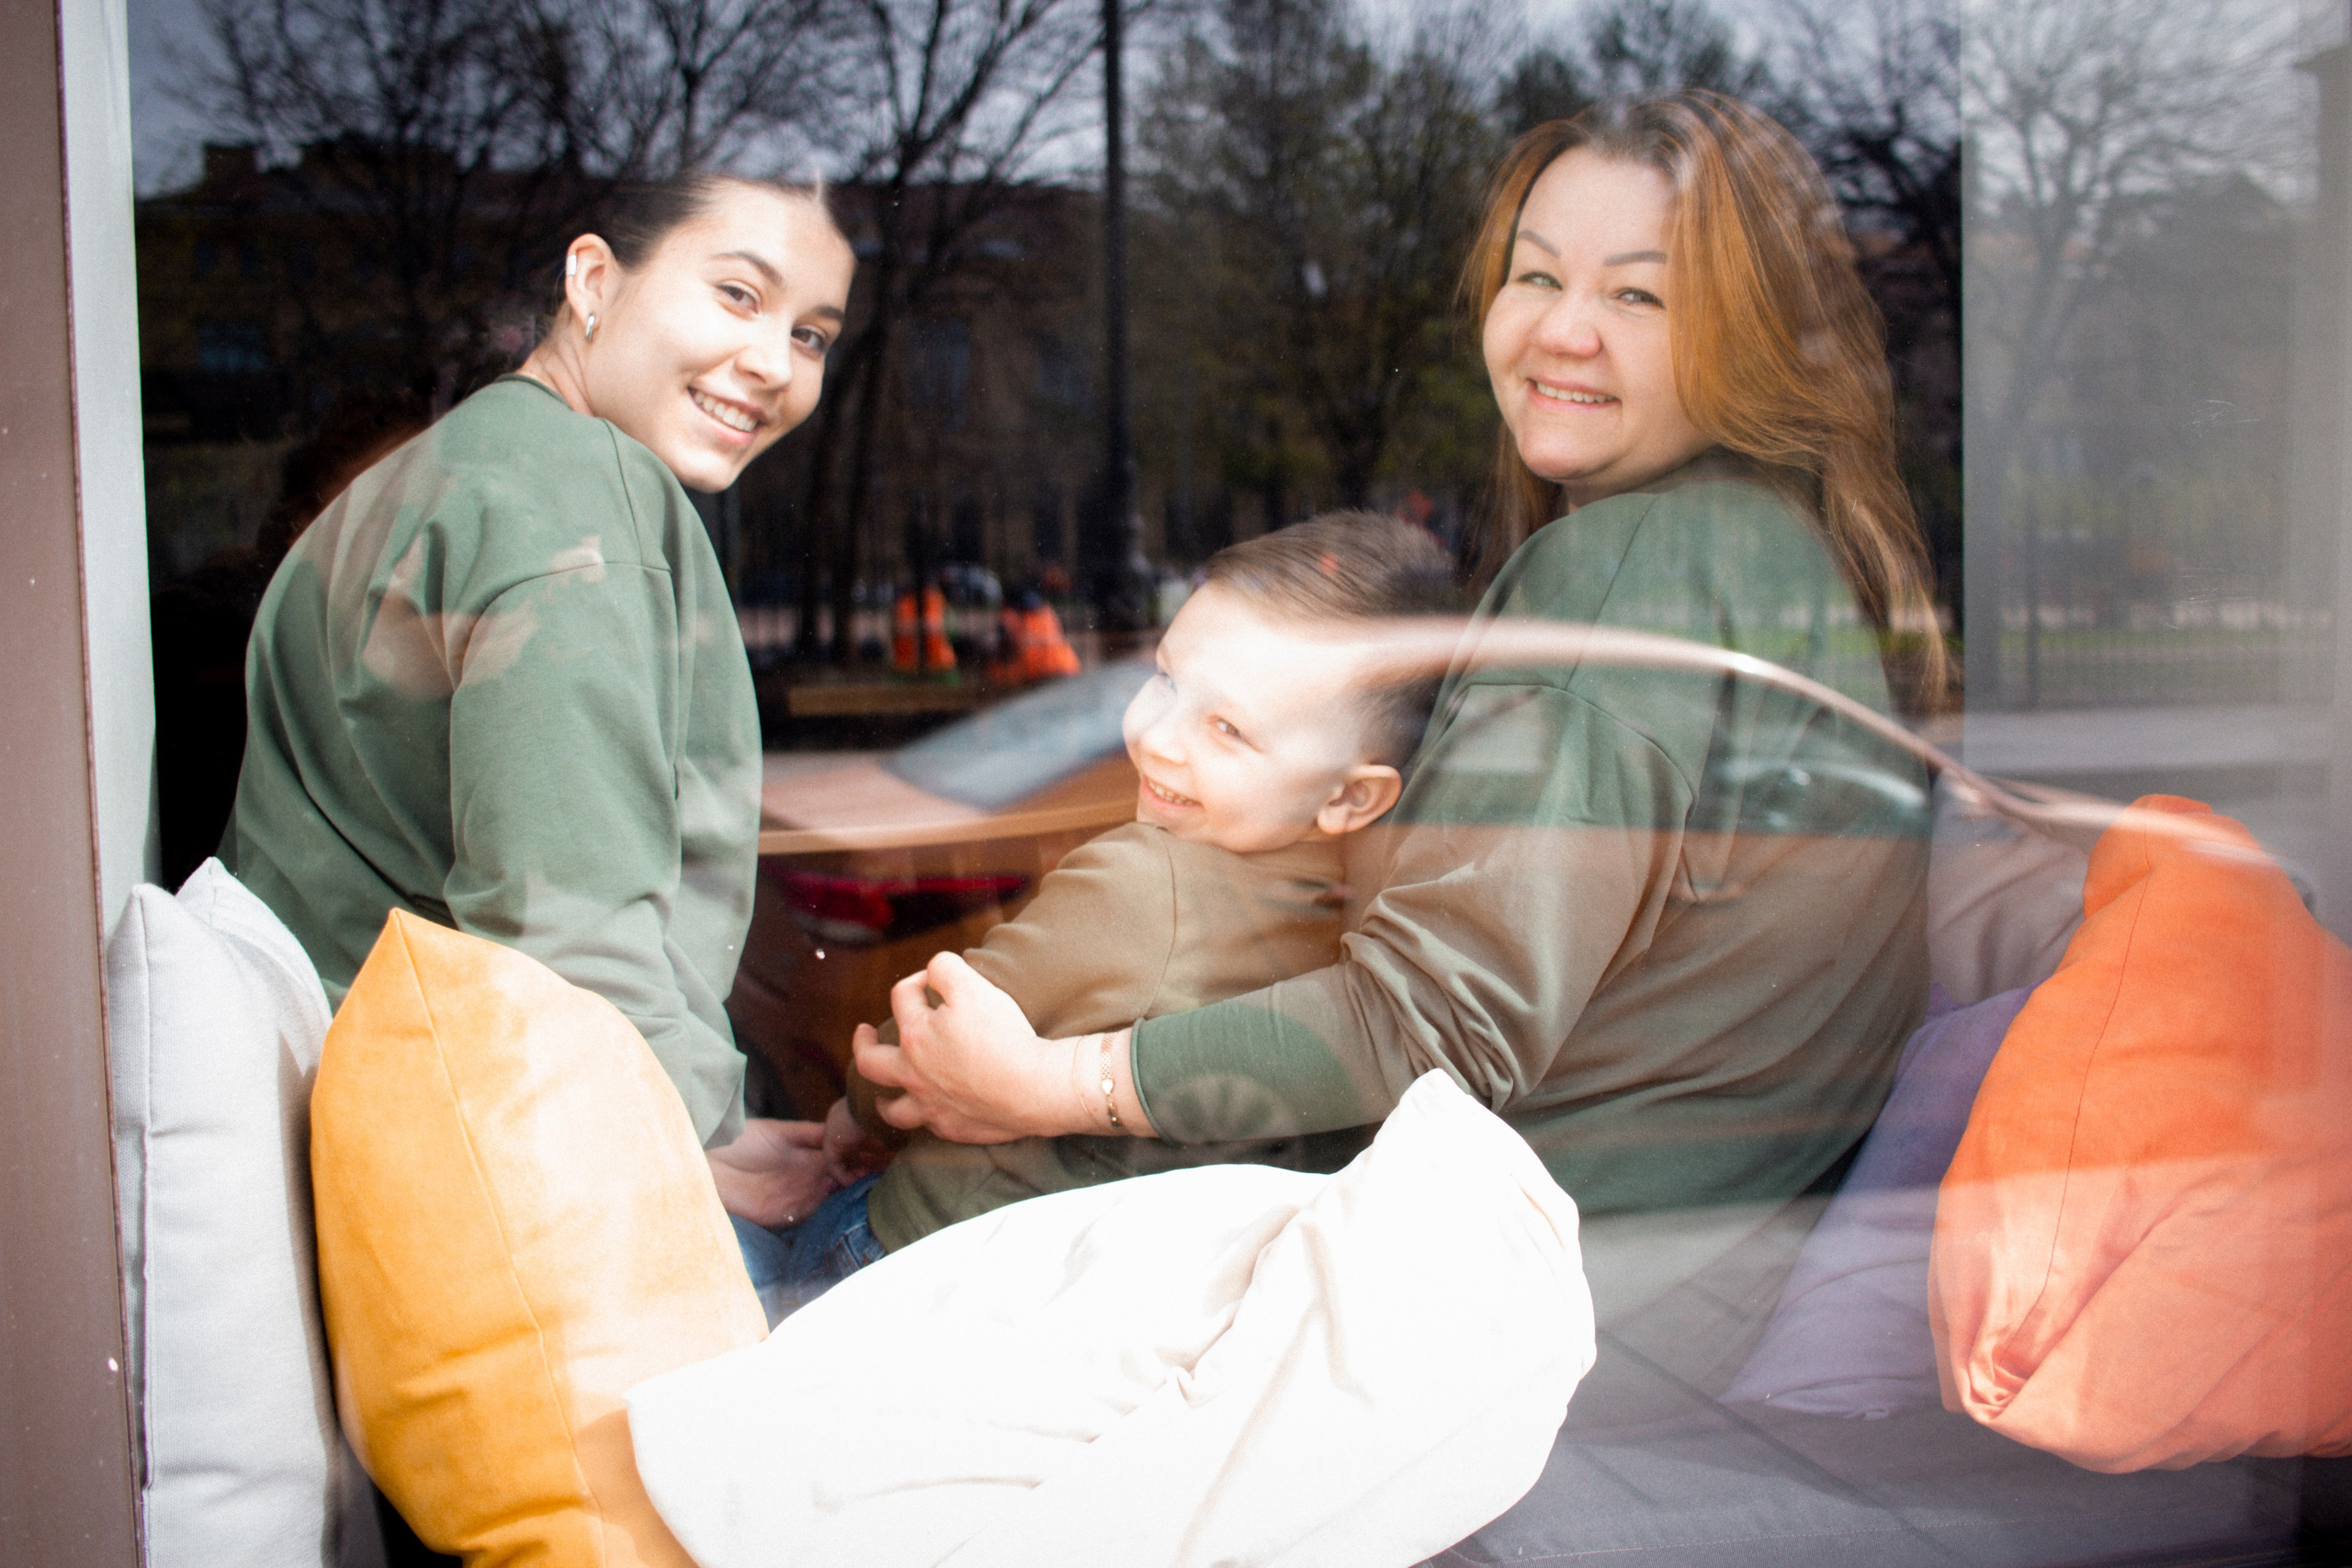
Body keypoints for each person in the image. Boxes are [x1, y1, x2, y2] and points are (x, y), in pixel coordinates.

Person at [854, 90, 1947, 1408]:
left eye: (1641, 298)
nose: (1562, 328)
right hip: (1639, 1304)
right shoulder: (1785, 557)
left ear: (1745, 338)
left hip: (1488, 1324)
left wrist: (1049, 1079)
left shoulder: (1633, 565)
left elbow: (1437, 1022)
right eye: (1535, 275)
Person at [221, 173, 857, 1232]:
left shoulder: (441, 475)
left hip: (410, 1160)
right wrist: (686, 1145)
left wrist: (711, 1119)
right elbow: (567, 915)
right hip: (538, 1191)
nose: (772, 364)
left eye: (812, 336)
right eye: (739, 296)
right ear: (593, 280)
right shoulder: (579, 492)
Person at [750, 513, 1453, 1303]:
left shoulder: (1140, 882)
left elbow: (922, 1038)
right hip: (1111, 1303)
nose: (1157, 737)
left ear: (1351, 795)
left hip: (919, 1259)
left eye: (1227, 727)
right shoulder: (1378, 923)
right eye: (1165, 679)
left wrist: (854, 1119)